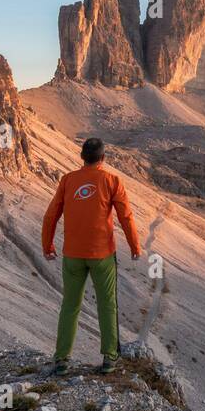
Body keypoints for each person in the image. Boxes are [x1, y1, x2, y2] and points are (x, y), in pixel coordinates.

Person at [41, 137, 142, 375]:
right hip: (102, 254)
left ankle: (62, 359)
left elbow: (50, 216)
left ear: (81, 157)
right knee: (107, 304)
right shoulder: (111, 180)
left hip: (73, 254)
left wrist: (48, 247)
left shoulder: (68, 180)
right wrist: (135, 247)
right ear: (103, 158)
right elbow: (126, 216)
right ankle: (109, 358)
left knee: (70, 305)